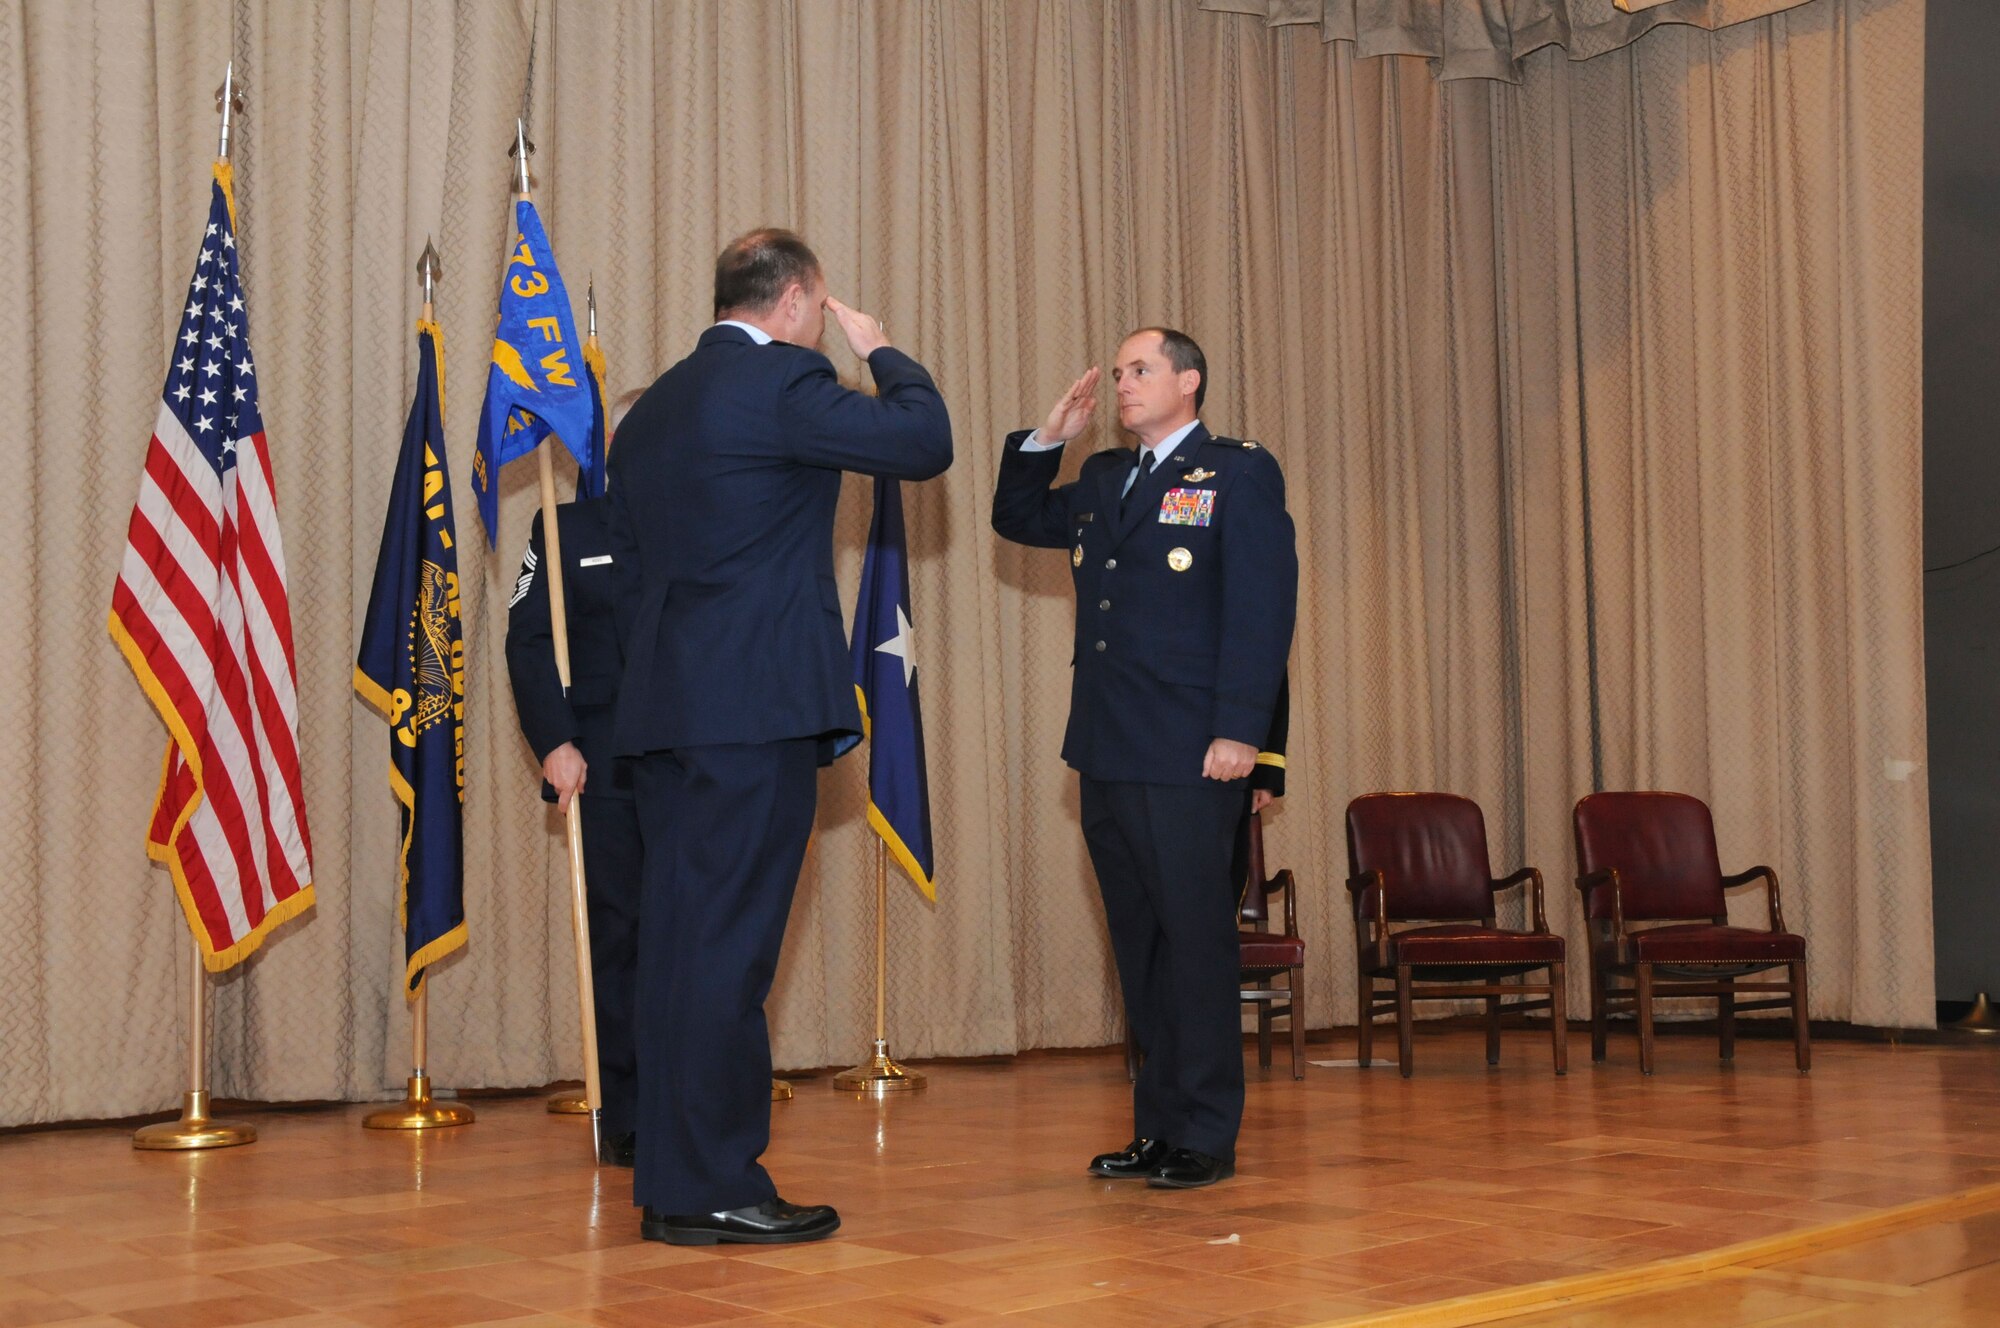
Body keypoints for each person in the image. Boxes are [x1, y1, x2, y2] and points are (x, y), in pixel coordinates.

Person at [610, 228, 953, 1244]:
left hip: (669, 714)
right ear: (799, 299)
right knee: (728, 953)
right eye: (820, 307)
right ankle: (715, 1181)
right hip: (750, 711)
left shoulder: (655, 407)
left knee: (678, 947)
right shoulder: (782, 382)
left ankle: (673, 1178)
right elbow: (921, 439)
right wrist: (880, 350)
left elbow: (627, 574)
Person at [992, 328, 1297, 1189]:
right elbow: (1015, 516)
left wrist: (1245, 733)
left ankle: (1205, 1131)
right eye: (1119, 373)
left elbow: (1261, 610)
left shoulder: (1236, 473)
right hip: (1107, 746)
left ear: (1189, 381)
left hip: (1195, 753)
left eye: (1140, 371)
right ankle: (1157, 1128)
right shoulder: (1101, 478)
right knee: (1141, 945)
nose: (1123, 385)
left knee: (1196, 942)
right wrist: (1048, 437)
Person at [504, 388, 647, 1167]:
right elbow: (527, 643)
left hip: (692, 769)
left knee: (691, 940)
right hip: (605, 770)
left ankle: (687, 1101)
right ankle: (623, 1108)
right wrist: (554, 741)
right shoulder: (561, 529)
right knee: (619, 941)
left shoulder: (699, 528)